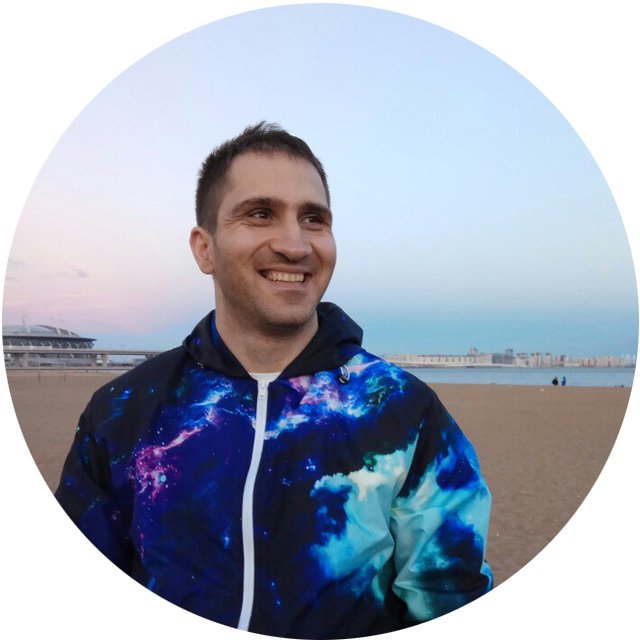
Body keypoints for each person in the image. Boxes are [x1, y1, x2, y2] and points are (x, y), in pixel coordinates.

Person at [55, 122, 492, 638]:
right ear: (204, 248)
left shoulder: (403, 410)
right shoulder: (123, 410)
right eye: (260, 213)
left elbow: (449, 595)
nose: (295, 244)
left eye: (313, 219)